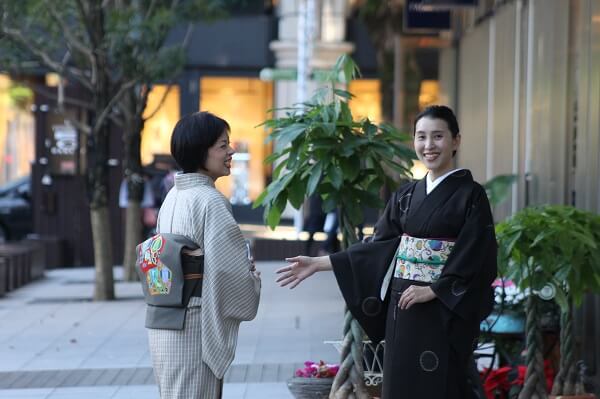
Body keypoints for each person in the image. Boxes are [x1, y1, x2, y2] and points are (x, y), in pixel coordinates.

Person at [276, 105, 497, 398]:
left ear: (456, 141)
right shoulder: (405, 196)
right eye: (421, 137)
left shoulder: (471, 195)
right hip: (402, 307)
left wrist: (436, 289)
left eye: (438, 136)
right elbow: (379, 248)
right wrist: (320, 263)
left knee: (440, 384)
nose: (428, 145)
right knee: (399, 383)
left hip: (442, 308)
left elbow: (477, 252)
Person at [148, 111, 261, 399]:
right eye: (222, 146)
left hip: (165, 319)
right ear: (201, 152)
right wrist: (251, 279)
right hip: (195, 323)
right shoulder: (210, 200)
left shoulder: (173, 197)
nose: (231, 151)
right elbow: (227, 271)